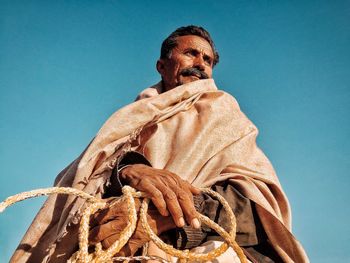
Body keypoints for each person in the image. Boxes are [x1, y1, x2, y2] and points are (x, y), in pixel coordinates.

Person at [11, 25, 309, 263]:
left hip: (204, 248)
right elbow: (88, 178)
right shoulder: (130, 120)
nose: (200, 65)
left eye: (207, 60)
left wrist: (172, 214)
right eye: (191, 54)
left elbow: (257, 211)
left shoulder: (224, 112)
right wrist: (129, 169)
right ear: (162, 65)